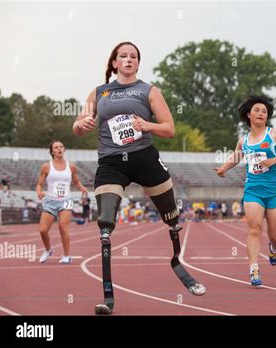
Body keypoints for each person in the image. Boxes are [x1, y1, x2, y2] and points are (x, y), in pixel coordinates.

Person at [72, 41, 205, 314]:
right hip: (111, 162)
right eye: (124, 56)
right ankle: (108, 296)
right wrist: (80, 124)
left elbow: (169, 129)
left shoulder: (149, 91)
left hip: (144, 158)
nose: (129, 60)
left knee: (172, 217)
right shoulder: (99, 93)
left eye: (134, 56)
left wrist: (147, 125)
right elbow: (77, 126)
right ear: (114, 63)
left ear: (138, 63)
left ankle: (177, 261)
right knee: (105, 223)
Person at [214, 95, 276, 286]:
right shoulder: (244, 140)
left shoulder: (274, 134)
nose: (261, 113)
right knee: (254, 228)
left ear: (267, 117)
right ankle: (254, 269)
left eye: (264, 111)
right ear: (249, 115)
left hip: (275, 191)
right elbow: (237, 156)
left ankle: (273, 248)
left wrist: (274, 160)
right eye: (257, 110)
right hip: (253, 190)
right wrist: (223, 168)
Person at [36, 140, 87, 264]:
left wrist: (82, 188)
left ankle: (66, 255)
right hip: (50, 200)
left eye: (61, 147)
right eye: (56, 147)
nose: (59, 149)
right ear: (52, 151)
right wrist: (39, 192)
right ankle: (48, 250)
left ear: (64, 149)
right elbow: (39, 184)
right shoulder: (46, 166)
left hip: (66, 200)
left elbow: (76, 182)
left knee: (62, 226)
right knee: (43, 230)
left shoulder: (71, 166)